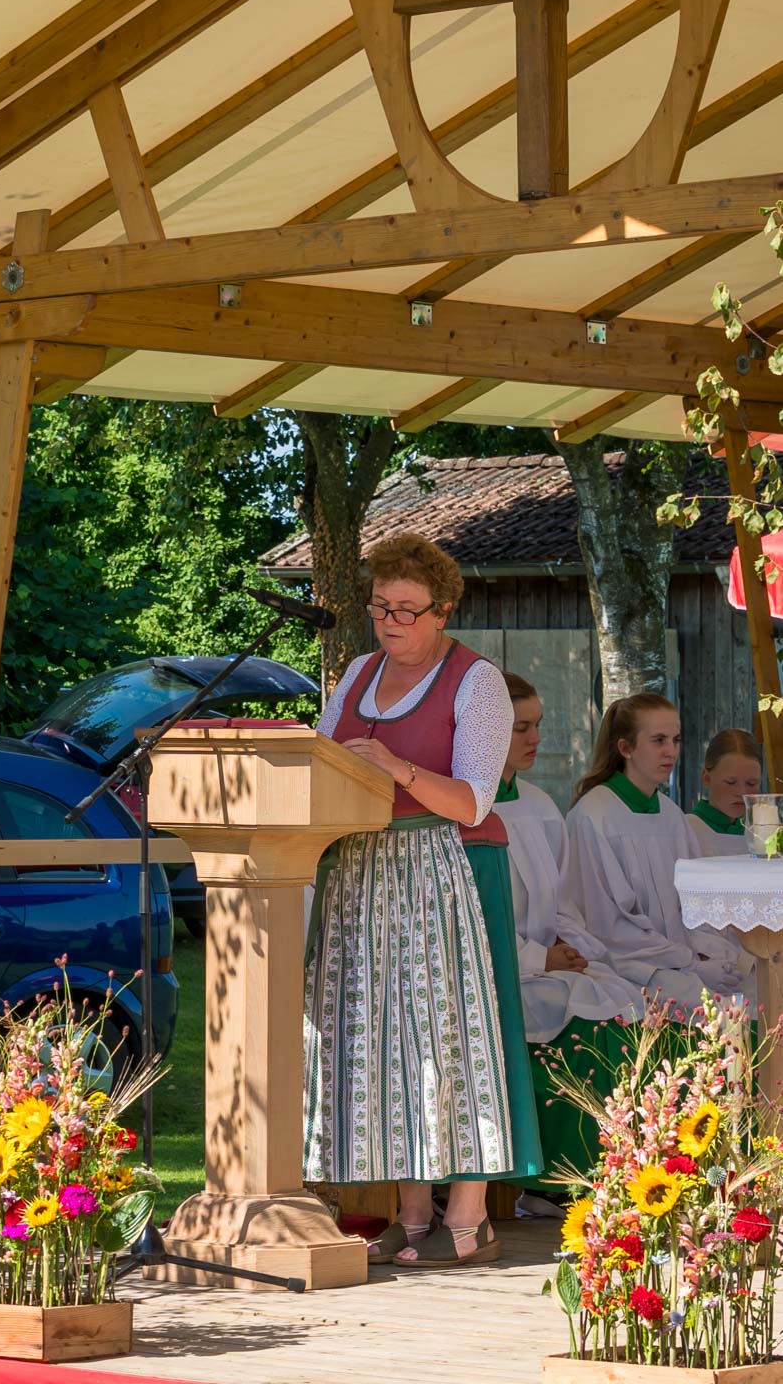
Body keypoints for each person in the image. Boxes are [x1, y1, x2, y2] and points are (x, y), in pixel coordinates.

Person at [303, 533, 542, 1272]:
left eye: (407, 609)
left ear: (442, 611)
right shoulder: (356, 674)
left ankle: (468, 1211)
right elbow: (316, 761)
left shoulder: (477, 682)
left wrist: (399, 767)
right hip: (361, 869)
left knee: (450, 1035)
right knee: (382, 1040)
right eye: (380, 607)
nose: (391, 622)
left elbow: (473, 799)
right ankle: (410, 1211)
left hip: (446, 866)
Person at [494, 673, 647, 1180]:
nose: (536, 740)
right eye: (521, 728)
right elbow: (470, 918)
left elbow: (558, 900)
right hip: (498, 971)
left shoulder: (538, 805)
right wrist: (540, 958)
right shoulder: (465, 811)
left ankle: (618, 1169)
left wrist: (568, 943)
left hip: (545, 961)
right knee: (585, 1020)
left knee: (626, 998)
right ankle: (555, 1178)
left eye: (537, 725)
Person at [565, 693, 753, 1015]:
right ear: (625, 748)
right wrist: (690, 962)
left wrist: (711, 953)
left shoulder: (670, 815)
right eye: (658, 740)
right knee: (726, 1010)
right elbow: (608, 926)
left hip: (680, 957)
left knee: (757, 980)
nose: (671, 752)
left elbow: (693, 905)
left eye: (676, 740)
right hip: (630, 965)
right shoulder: (595, 815)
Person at [687, 728, 762, 856]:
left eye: (751, 783)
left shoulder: (760, 836)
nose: (742, 792)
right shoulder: (685, 831)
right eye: (731, 782)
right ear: (706, 778)